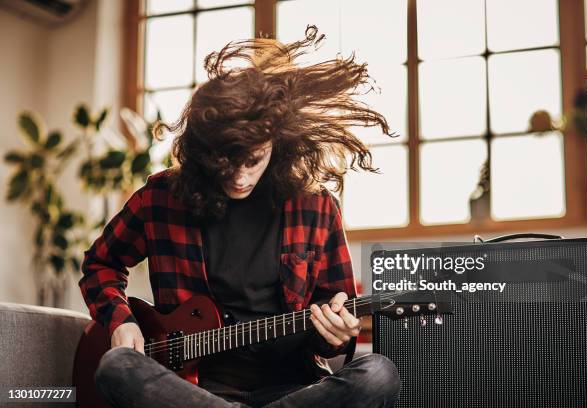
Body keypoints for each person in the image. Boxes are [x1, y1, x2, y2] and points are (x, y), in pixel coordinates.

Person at [79, 26, 401, 408]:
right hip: (191, 388)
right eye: (225, 162)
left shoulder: (315, 206)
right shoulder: (161, 197)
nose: (240, 176)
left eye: (253, 160)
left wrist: (336, 334)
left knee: (379, 373)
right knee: (116, 365)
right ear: (200, 152)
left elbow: (335, 308)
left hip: (293, 386)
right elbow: (101, 262)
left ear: (275, 143)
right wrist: (123, 321)